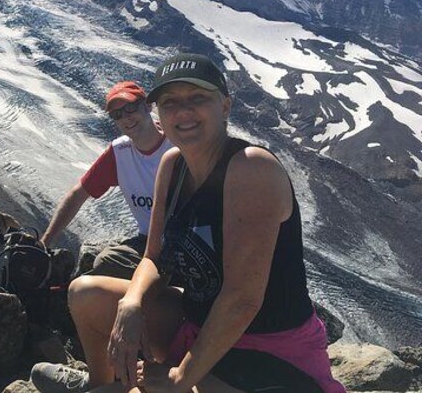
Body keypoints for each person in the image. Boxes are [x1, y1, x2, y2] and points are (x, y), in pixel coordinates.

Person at [45, 53, 344, 392]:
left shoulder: (251, 168)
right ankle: (102, 384)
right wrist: (132, 302)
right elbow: (154, 256)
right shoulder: (172, 164)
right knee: (85, 293)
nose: (183, 112)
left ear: (225, 106)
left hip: (268, 346)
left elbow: (241, 299)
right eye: (170, 102)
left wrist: (178, 378)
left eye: (198, 98)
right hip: (197, 325)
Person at [42, 80, 172, 279]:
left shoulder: (178, 142)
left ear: (147, 105)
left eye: (130, 108)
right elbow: (79, 193)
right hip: (147, 241)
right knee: (105, 262)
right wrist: (46, 241)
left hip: (187, 242)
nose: (126, 118)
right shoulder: (120, 153)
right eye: (117, 115)